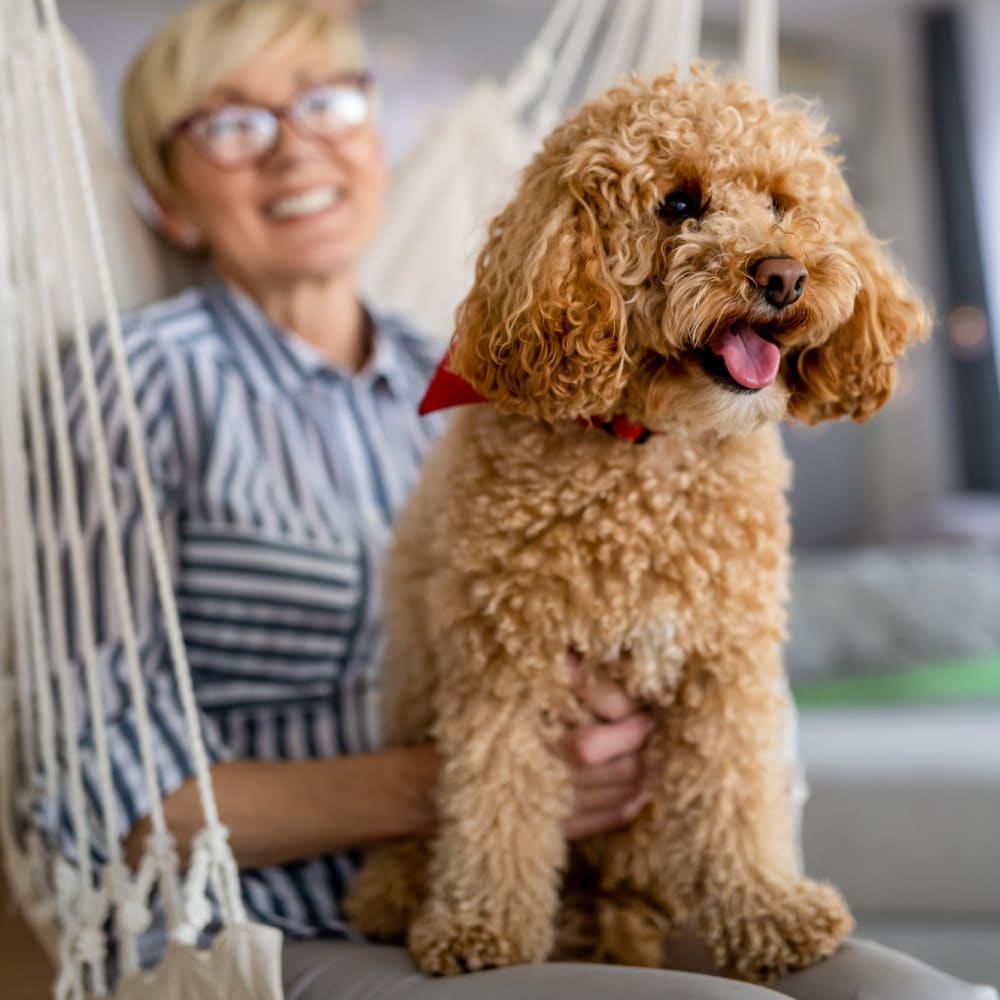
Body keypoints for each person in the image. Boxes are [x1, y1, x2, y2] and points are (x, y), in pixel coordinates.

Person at [53, 1, 995, 998]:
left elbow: (723, 682)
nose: (296, 150)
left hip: (632, 873)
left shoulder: (441, 370)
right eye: (233, 124)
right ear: (165, 196)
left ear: (374, 129)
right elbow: (89, 795)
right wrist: (449, 789)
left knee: (907, 994)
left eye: (327, 101)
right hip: (282, 918)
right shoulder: (133, 387)